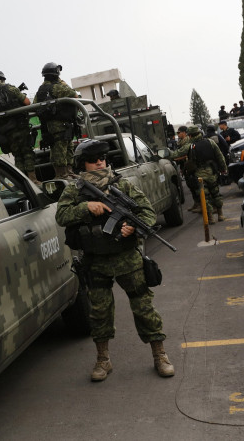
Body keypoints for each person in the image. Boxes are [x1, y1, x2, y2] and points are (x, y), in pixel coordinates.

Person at [55, 139, 174, 381]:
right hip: (95, 261)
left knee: (144, 308)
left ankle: (160, 354)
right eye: (93, 159)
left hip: (127, 259)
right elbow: (62, 216)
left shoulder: (123, 186)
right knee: (99, 313)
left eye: (102, 158)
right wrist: (87, 207)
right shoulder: (74, 191)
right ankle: (103, 360)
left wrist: (133, 227)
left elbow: (147, 213)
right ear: (82, 164)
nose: (99, 162)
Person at [0, 70, 38, 185]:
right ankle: (33, 180)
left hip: (6, 131)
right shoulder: (11, 89)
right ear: (2, 79)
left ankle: (22, 183)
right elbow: (27, 102)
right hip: (20, 127)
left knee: (17, 155)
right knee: (27, 153)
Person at [33, 62, 80, 179]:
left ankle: (67, 173)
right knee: (63, 148)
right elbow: (75, 95)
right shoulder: (57, 87)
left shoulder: (41, 89)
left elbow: (34, 104)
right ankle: (63, 174)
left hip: (51, 125)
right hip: (61, 124)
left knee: (63, 147)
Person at [185, 125, 227, 223]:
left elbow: (184, 159)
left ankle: (210, 218)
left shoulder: (190, 146)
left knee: (205, 197)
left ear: (190, 136)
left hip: (199, 176)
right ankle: (220, 215)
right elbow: (220, 156)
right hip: (212, 172)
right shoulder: (210, 142)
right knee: (216, 193)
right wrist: (223, 168)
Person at [170, 125, 200, 212]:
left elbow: (184, 154)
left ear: (184, 133)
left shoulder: (188, 142)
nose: (178, 134)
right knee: (190, 186)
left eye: (179, 132)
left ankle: (200, 204)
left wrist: (175, 157)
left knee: (195, 186)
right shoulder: (180, 142)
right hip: (185, 166)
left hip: (191, 166)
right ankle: (196, 203)